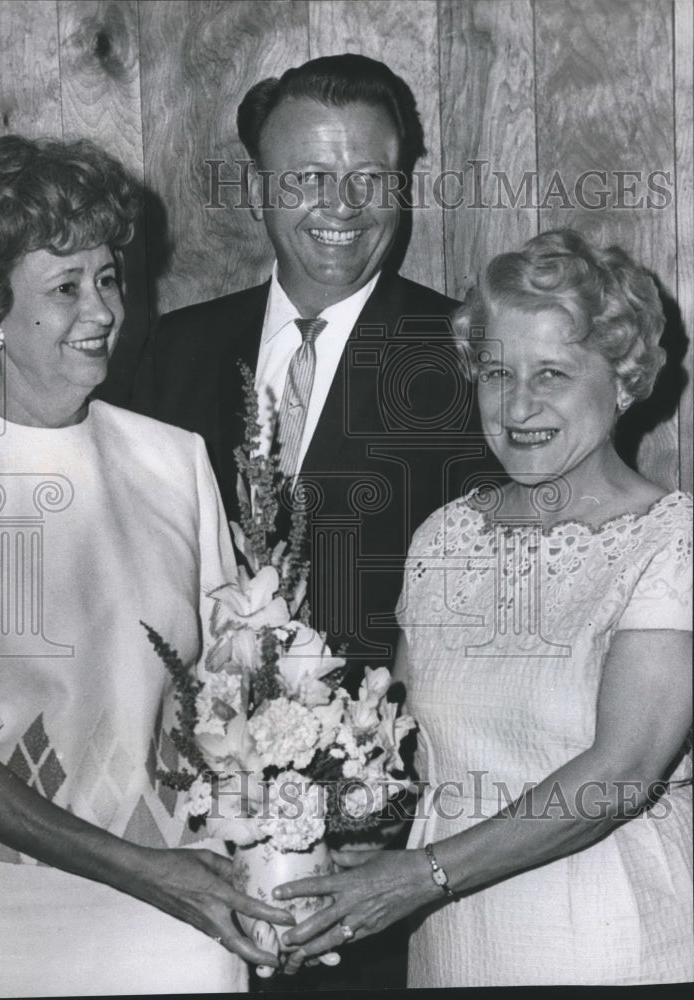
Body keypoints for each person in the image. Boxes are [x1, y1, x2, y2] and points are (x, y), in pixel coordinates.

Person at [0, 134, 294, 998]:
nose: (101, 309)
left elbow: (231, 692)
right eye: (64, 287)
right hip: (1, 923)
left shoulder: (175, 458)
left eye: (108, 277)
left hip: (187, 914)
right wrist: (142, 870)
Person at [273, 229, 693, 986]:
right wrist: (336, 842)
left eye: (553, 373)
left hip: (622, 957)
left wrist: (417, 876)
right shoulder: (445, 537)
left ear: (625, 381)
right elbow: (405, 752)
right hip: (454, 957)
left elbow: (618, 774)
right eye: (496, 372)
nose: (518, 404)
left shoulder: (673, 542)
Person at [131, 53, 498, 677]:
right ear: (256, 190)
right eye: (309, 176)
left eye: (370, 178)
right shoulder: (176, 348)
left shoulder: (470, 354)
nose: (344, 206)